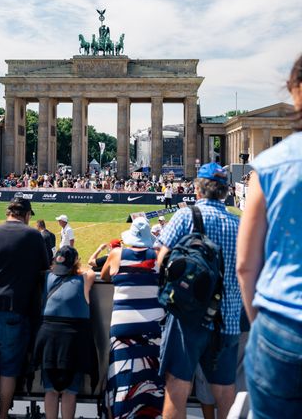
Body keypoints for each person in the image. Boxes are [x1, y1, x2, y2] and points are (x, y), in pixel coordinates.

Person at [237, 53, 302, 418]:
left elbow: (246, 266)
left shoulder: (272, 162)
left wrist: (260, 324)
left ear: (294, 91)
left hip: (280, 325)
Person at [157, 162, 241, 419]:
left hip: (188, 316)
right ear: (226, 191)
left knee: (177, 387)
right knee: (226, 392)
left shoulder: (186, 216)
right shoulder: (239, 224)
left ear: (197, 189)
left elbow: (160, 260)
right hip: (227, 318)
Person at [0, 196, 49, 419]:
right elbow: (45, 269)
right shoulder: (34, 235)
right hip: (14, 309)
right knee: (8, 369)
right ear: (26, 215)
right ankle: (3, 415)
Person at [101, 216, 165, 418]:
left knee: (123, 377)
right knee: (151, 378)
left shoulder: (117, 254)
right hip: (153, 325)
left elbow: (104, 276)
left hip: (123, 325)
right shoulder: (158, 255)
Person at [33, 246, 97, 419]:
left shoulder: (47, 277)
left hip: (48, 339)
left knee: (50, 390)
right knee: (70, 392)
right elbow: (91, 270)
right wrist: (76, 265)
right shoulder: (85, 278)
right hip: (73, 340)